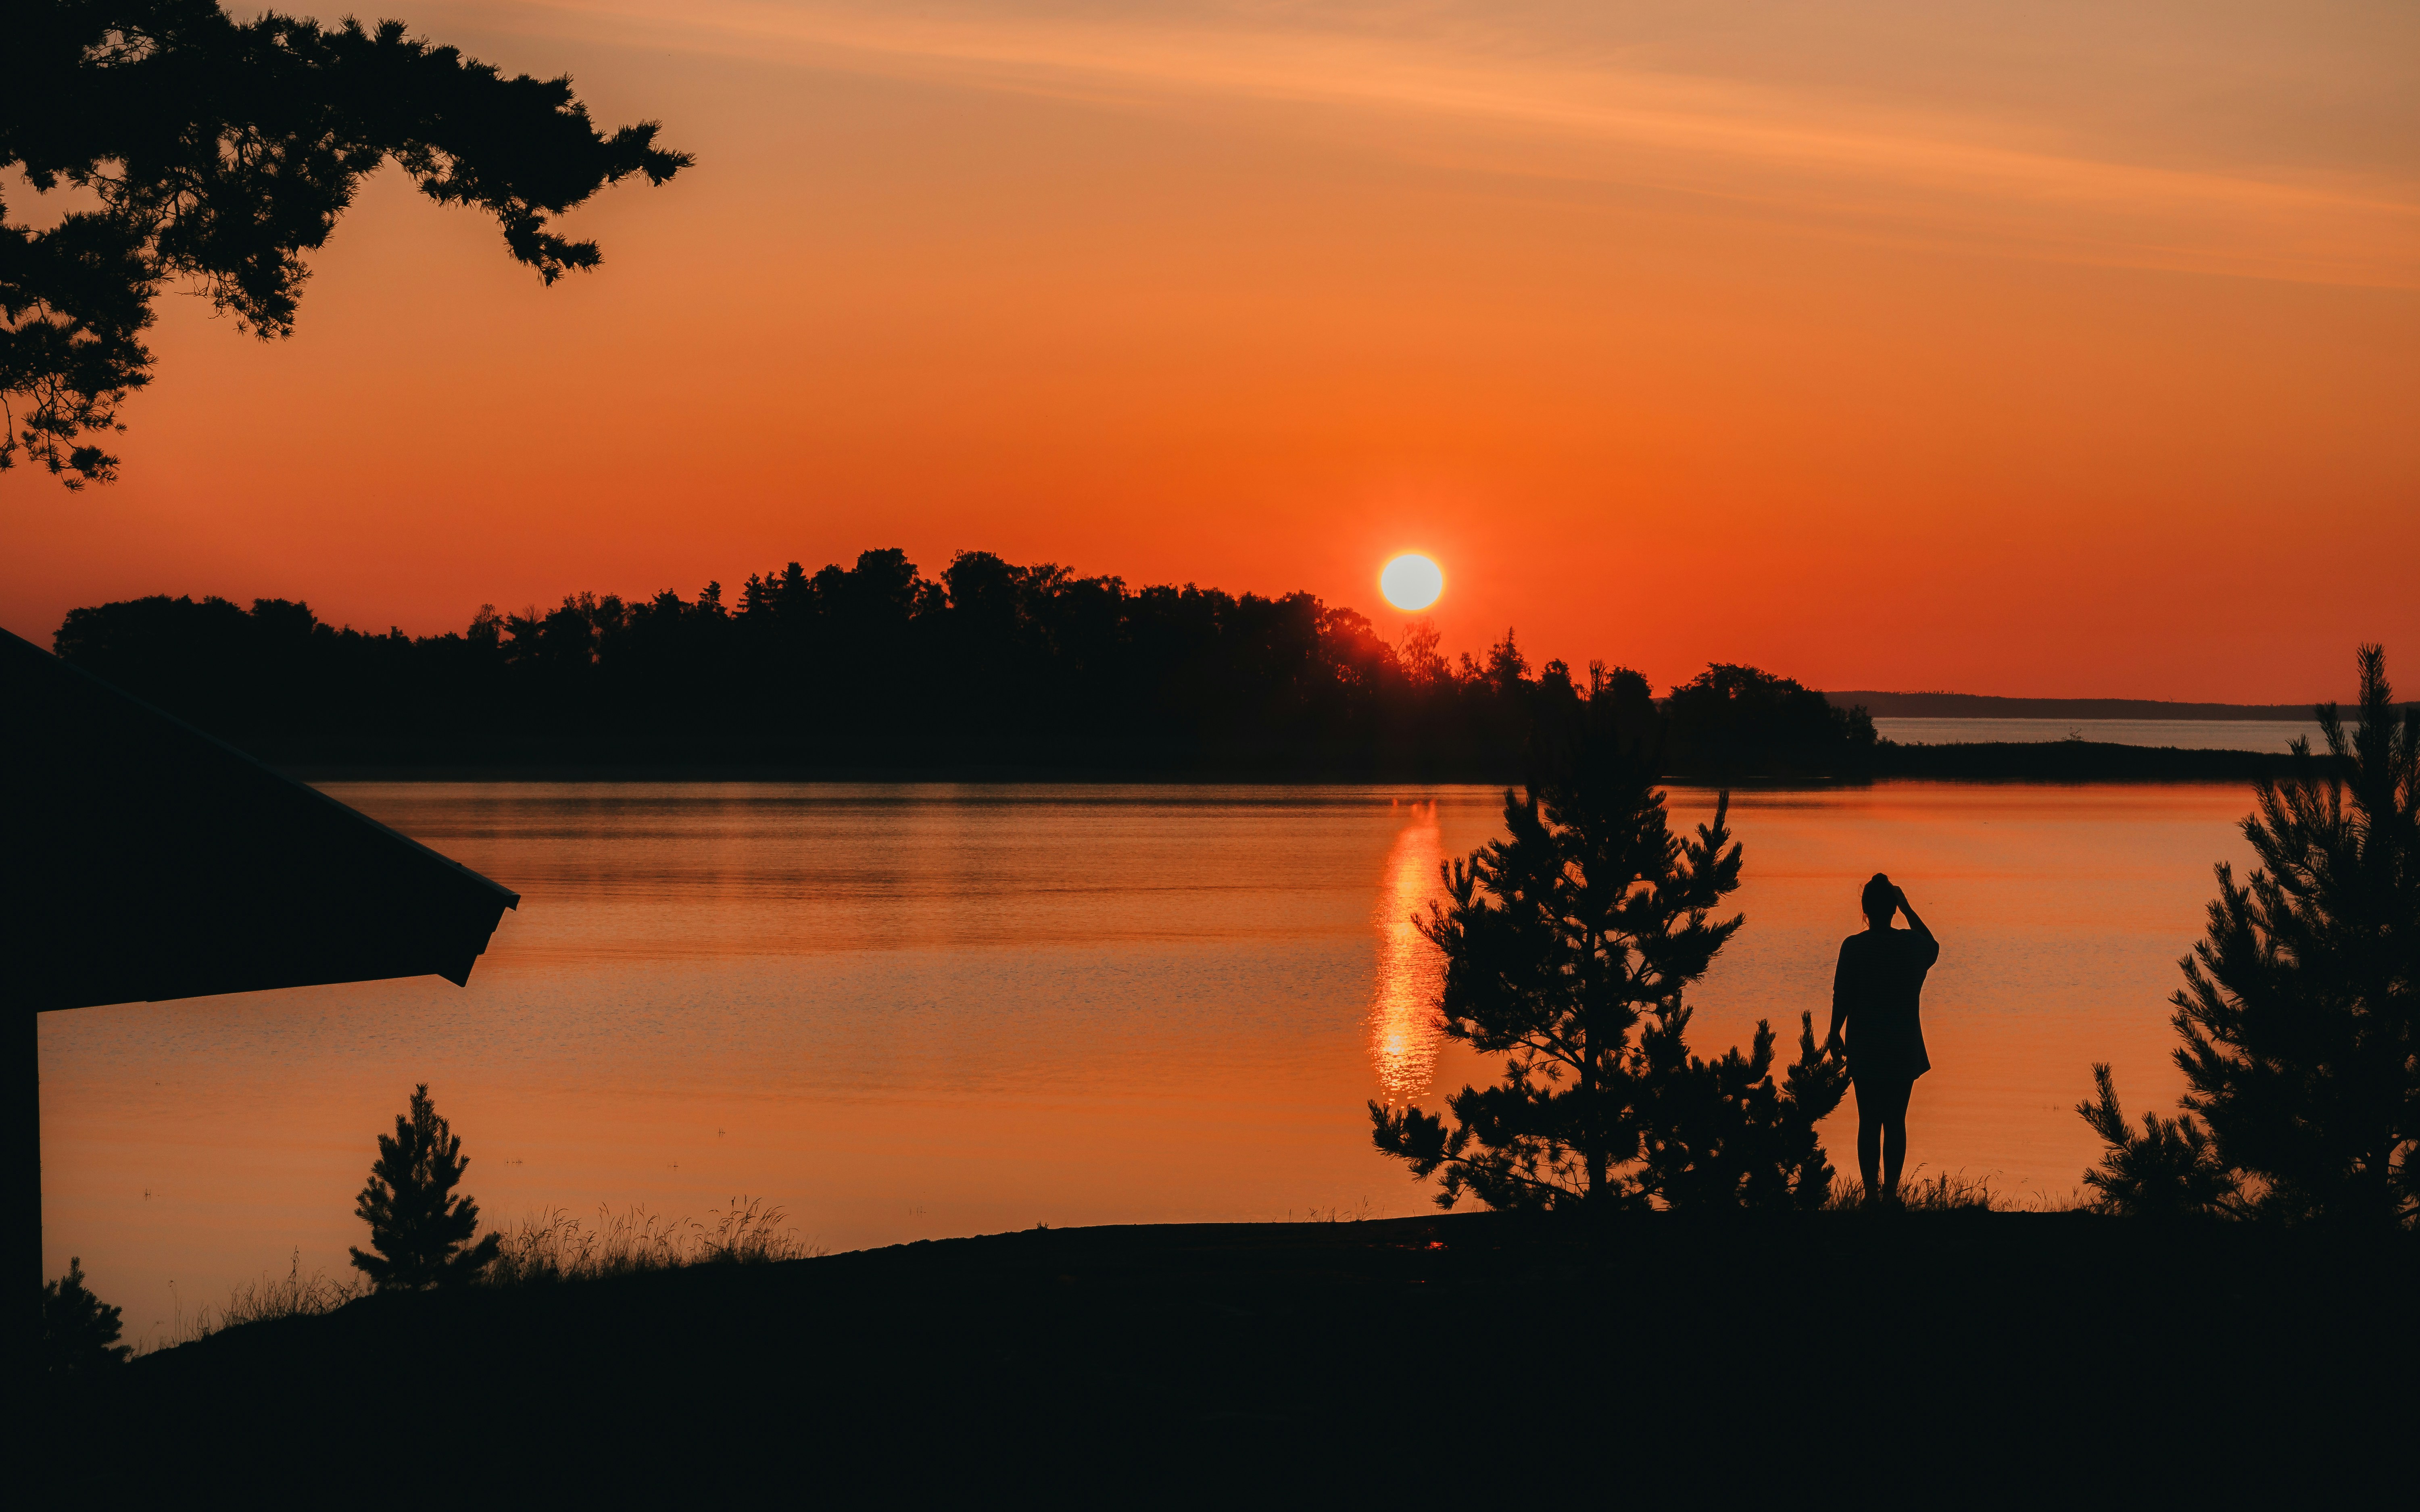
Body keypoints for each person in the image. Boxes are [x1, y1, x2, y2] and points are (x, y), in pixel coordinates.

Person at [1825, 873, 1940, 1207]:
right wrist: (1907, 907)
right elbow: (1933, 946)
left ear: (1865, 910)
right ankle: (1890, 1194)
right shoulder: (1910, 946)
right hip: (1902, 1046)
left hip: (1866, 1045)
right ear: (1892, 910)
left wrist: (1834, 1033)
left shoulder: (1854, 947)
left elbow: (1841, 995)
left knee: (1869, 1121)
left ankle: (1872, 1195)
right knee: (1895, 1121)